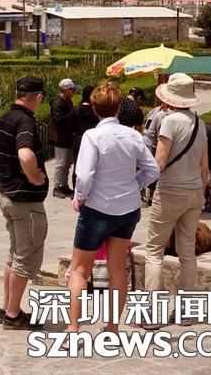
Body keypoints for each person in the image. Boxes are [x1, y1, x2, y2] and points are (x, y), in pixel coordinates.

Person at [65, 83, 160, 335]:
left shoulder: (92, 136)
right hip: (127, 209)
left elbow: (84, 175)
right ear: (118, 107)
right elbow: (152, 170)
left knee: (79, 269)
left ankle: (73, 327)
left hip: (97, 208)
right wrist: (133, 184)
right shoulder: (133, 136)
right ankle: (112, 326)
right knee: (116, 268)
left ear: (95, 109)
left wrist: (80, 197)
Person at [144, 73, 209, 327]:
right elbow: (204, 168)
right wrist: (199, 191)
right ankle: (186, 311)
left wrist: (138, 180)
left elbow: (159, 163)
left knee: (154, 252)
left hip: (170, 190)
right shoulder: (200, 123)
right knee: (187, 253)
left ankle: (152, 313)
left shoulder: (169, 122)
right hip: (194, 192)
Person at [0, 76, 49, 330]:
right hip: (25, 201)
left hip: (7, 196)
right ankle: (13, 315)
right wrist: (35, 177)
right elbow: (25, 155)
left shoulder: (4, 118)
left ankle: (7, 307)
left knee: (14, 255)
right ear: (38, 98)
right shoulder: (26, 121)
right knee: (26, 259)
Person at [49, 78, 78, 199]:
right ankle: (56, 187)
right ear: (65, 90)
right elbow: (58, 121)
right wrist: (72, 114)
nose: (74, 92)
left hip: (67, 136)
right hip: (60, 137)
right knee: (60, 163)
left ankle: (64, 185)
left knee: (67, 163)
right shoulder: (58, 103)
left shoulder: (67, 101)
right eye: (72, 89)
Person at [68, 85, 98, 177]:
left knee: (77, 164)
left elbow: (69, 126)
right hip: (93, 139)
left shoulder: (75, 110)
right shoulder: (96, 110)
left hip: (78, 139)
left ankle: (76, 184)